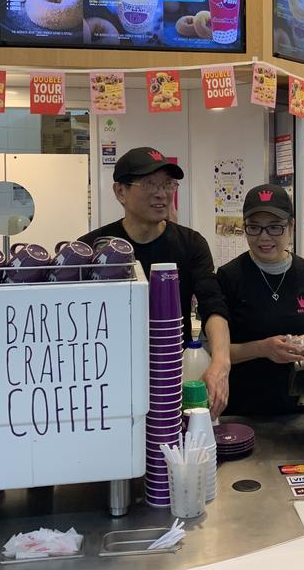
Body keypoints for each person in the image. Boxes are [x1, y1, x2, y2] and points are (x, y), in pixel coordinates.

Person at [80, 147, 230, 417]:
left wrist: (220, 362)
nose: (162, 193)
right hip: (109, 375)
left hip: (172, 375)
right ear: (120, 191)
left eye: (167, 184)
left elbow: (213, 305)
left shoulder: (191, 243)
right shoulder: (93, 248)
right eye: (149, 184)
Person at [217, 183, 304, 415]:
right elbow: (214, 351)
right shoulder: (229, 277)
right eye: (254, 227)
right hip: (243, 409)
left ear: (291, 227)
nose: (264, 237)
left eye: (274, 228)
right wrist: (262, 348)